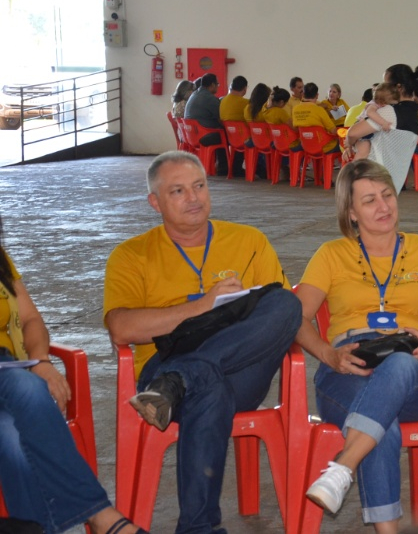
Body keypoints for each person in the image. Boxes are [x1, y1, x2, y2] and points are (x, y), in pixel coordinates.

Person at [103, 151, 302, 534]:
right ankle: (199, 528)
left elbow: (282, 312)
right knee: (207, 385)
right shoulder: (131, 255)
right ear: (155, 202)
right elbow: (121, 328)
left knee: (285, 303)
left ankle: (182, 380)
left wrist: (326, 351)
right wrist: (203, 305)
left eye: (199, 186)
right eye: (178, 191)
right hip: (163, 363)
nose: (194, 198)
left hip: (238, 367)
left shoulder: (249, 240)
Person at [294, 159, 418, 533]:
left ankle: (343, 467)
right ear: (351, 213)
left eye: (387, 195)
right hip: (347, 367)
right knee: (377, 418)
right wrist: (328, 354)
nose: (383, 206)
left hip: (415, 371)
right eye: (369, 200)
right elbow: (295, 317)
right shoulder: (330, 254)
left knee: (398, 366)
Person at [0, 216, 148, 534]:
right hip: (12, 379)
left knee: (11, 433)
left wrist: (40, 359)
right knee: (27, 390)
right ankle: (101, 514)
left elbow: (30, 319)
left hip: (8, 366)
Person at [184, 73, 229, 175]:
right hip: (203, 135)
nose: (218, 86)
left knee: (221, 133)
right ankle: (225, 168)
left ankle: (222, 166)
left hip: (192, 136)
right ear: (212, 85)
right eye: (217, 84)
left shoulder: (195, 94)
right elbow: (221, 117)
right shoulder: (209, 98)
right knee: (228, 135)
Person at [346, 83, 400, 161]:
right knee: (364, 150)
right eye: (391, 104)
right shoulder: (373, 104)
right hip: (361, 133)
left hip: (368, 134)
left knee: (369, 150)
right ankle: (354, 169)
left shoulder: (381, 103)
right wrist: (383, 123)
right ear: (383, 102)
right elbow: (370, 113)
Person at [292, 82, 338, 152]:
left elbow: (295, 129)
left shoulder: (295, 109)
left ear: (303, 94)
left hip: (305, 145)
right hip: (322, 146)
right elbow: (333, 131)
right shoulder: (319, 110)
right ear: (317, 95)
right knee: (341, 142)